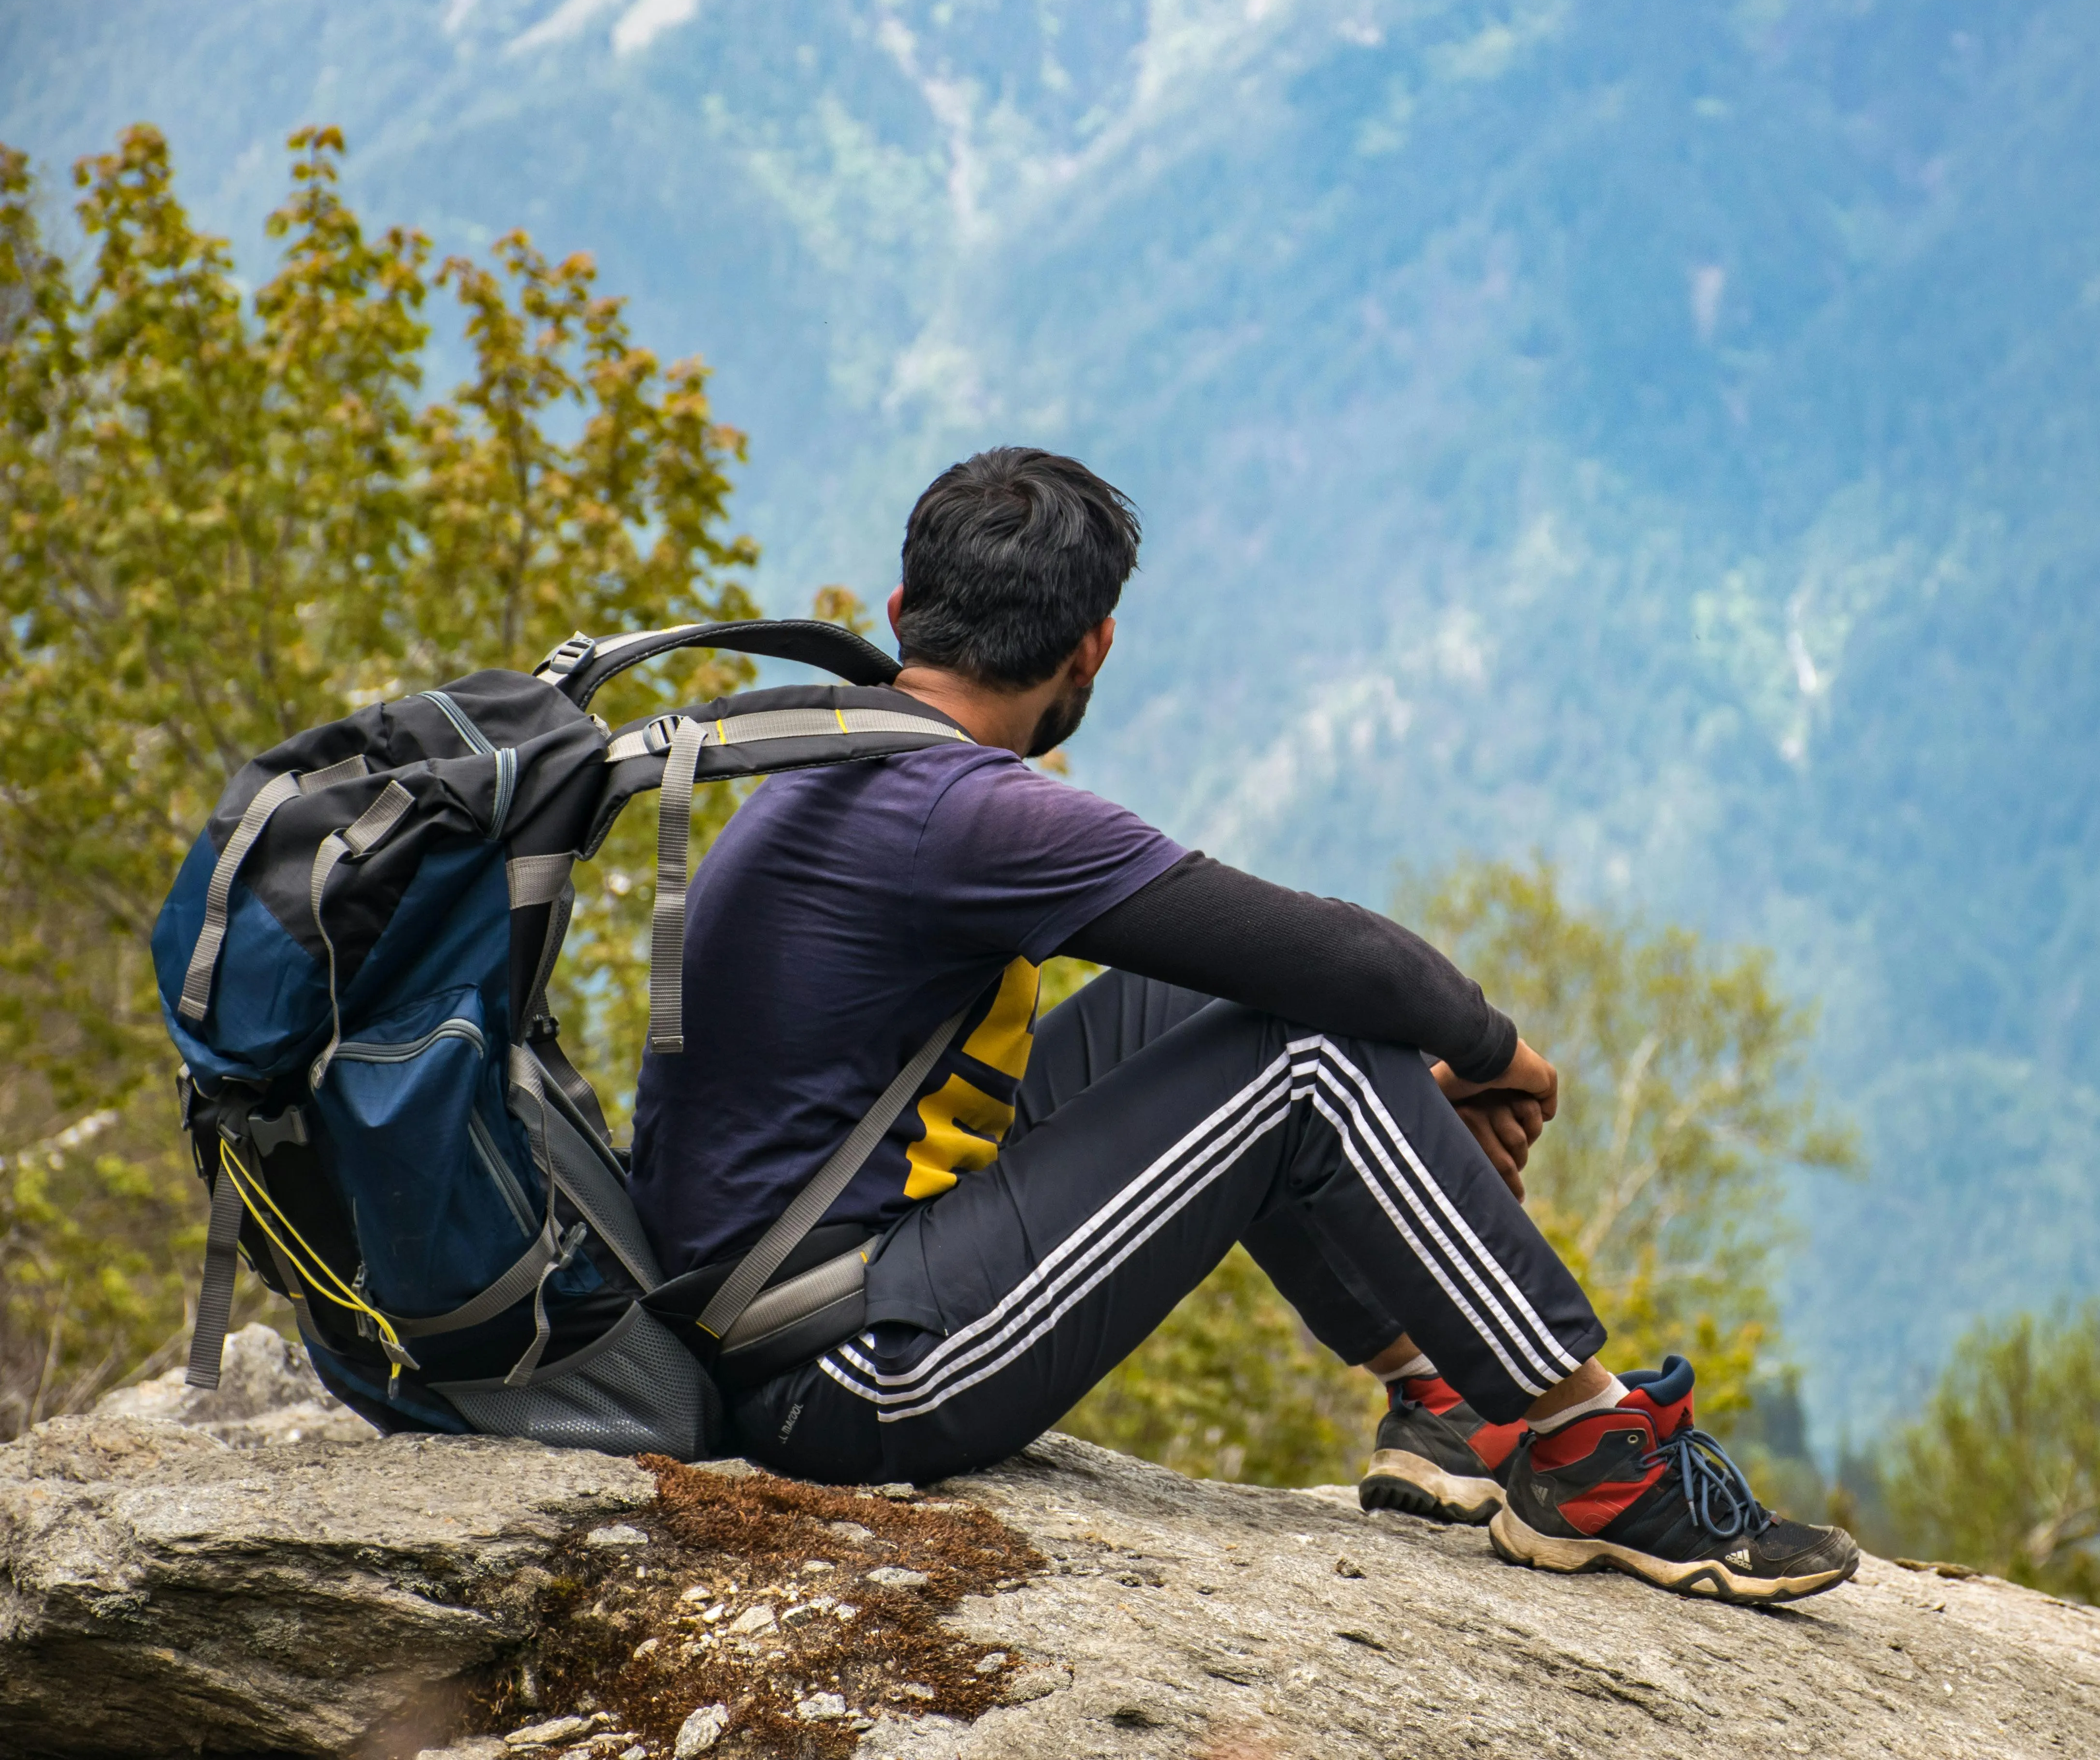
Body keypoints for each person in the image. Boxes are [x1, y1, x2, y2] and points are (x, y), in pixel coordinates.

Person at [628, 447, 1858, 1606]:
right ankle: (1593, 1452)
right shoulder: (967, 812)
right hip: (841, 1376)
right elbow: (1339, 956)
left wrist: (1424, 1095)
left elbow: (1278, 966)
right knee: (1308, 1049)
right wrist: (1499, 1056)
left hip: (784, 1301)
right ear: (1094, 645)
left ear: (904, 611)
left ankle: (1442, 1401)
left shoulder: (833, 766)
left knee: (1217, 1001)